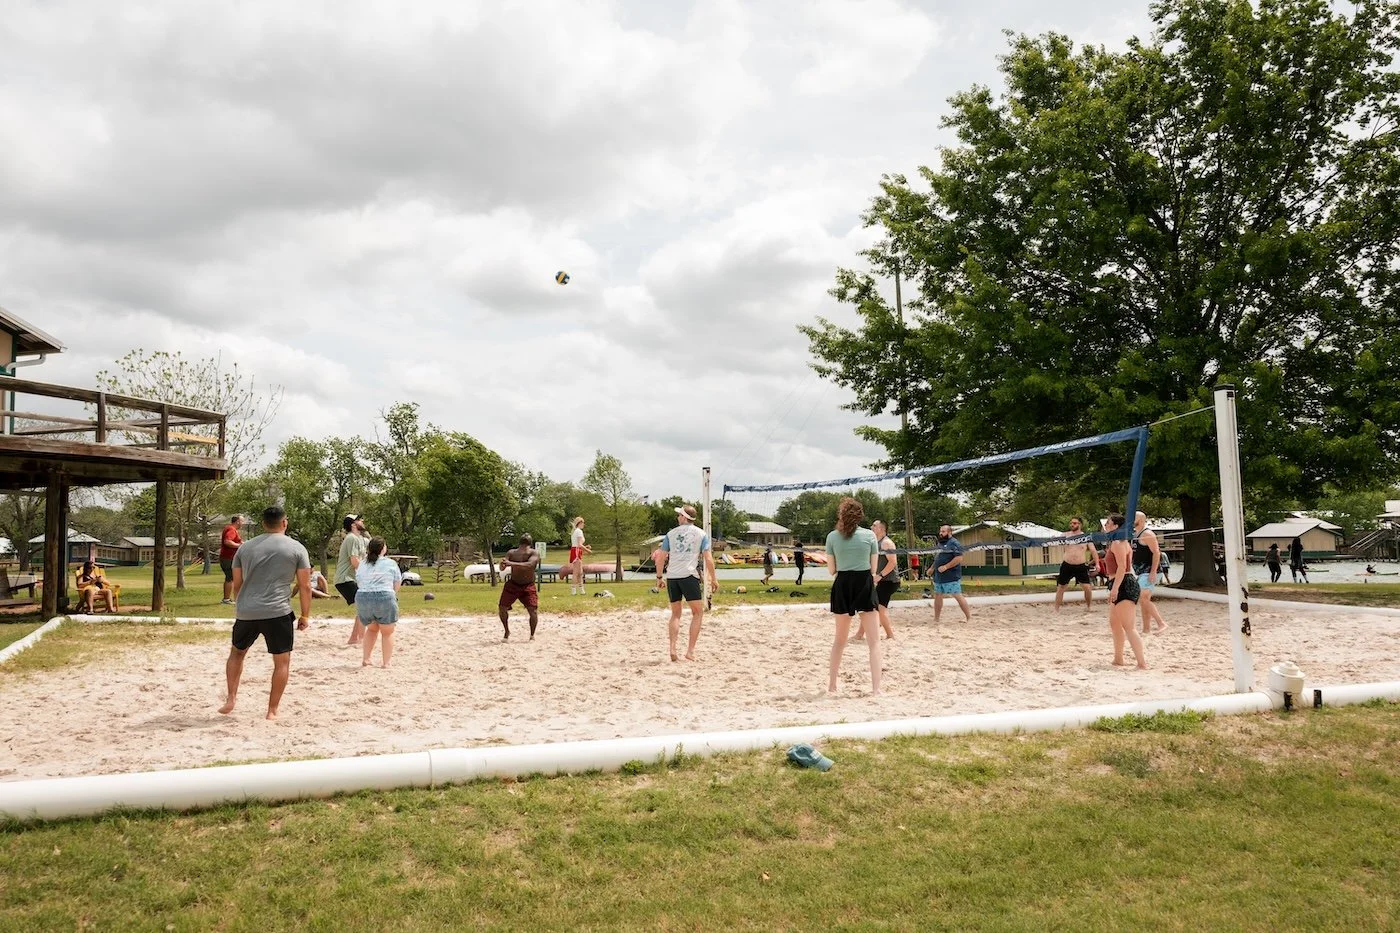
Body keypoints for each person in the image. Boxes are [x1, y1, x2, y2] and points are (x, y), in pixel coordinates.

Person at [218, 505, 311, 720]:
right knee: (281, 661)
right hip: (278, 611)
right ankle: (272, 710)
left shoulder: (245, 548)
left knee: (236, 654)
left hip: (247, 611)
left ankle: (231, 697)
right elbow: (305, 585)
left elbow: (237, 583)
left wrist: (242, 605)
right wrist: (305, 615)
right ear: (284, 523)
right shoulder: (296, 548)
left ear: (263, 524)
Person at [825, 497, 881, 696]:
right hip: (864, 583)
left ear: (841, 516)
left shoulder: (832, 537)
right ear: (860, 516)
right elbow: (873, 568)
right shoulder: (870, 536)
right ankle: (876, 689)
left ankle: (832, 686)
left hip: (843, 584)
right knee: (874, 642)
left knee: (839, 640)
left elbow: (832, 570)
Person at [655, 505, 718, 661]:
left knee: (676, 614)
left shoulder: (670, 534)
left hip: (673, 577)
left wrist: (659, 577)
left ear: (684, 517)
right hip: (689, 575)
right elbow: (708, 559)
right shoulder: (701, 534)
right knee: (697, 612)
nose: (677, 518)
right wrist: (713, 579)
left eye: (679, 515)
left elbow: (661, 557)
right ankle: (690, 651)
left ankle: (672, 648)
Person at [1104, 513, 1147, 669]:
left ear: (1116, 526)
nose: (1105, 526)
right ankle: (1118, 659)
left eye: (1108, 523)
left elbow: (1122, 567)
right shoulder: (1115, 542)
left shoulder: (1118, 542)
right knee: (1115, 624)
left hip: (1124, 584)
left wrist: (1115, 589)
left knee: (1129, 627)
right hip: (1118, 583)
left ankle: (1142, 663)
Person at [356, 537, 402, 668]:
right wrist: (392, 595)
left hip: (363, 597)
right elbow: (397, 582)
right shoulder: (390, 563)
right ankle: (386, 662)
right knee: (387, 631)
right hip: (384, 595)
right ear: (383, 549)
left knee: (371, 629)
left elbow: (359, 581)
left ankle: (366, 658)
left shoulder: (362, 563)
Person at [854, 519, 898, 641]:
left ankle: (890, 635)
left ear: (881, 529)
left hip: (890, 581)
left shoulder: (886, 543)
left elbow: (892, 562)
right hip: (882, 581)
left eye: (874, 525)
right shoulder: (876, 542)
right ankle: (859, 634)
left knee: (879, 608)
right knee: (869, 606)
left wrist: (880, 575)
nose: (871, 527)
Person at [498, 533, 541, 641]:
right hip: (513, 584)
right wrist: (502, 564)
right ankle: (506, 631)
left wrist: (510, 563)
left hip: (528, 585)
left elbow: (529, 565)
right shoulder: (511, 552)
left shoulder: (534, 553)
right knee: (502, 607)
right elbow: (502, 567)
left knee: (533, 610)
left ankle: (532, 635)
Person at [334, 515, 369, 645]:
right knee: (364, 605)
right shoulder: (351, 538)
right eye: (359, 519)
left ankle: (355, 639)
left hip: (351, 579)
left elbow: (378, 547)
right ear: (353, 525)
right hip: (345, 579)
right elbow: (355, 562)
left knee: (363, 606)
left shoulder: (361, 539)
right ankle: (360, 639)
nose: (362, 520)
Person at [1133, 512, 1168, 635]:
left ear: (1141, 520)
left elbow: (1156, 552)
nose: (1132, 519)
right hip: (1141, 572)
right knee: (1144, 601)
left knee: (1143, 598)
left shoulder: (1147, 534)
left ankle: (1161, 623)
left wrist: (1153, 571)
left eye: (1134, 517)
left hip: (1149, 571)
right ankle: (1146, 629)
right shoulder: (1135, 534)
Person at [932, 524, 972, 623]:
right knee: (937, 595)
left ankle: (969, 617)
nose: (941, 533)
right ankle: (936, 619)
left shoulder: (954, 543)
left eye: (943, 531)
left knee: (957, 595)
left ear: (949, 532)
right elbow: (938, 557)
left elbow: (959, 558)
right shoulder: (941, 543)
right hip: (939, 575)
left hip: (951, 575)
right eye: (940, 531)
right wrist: (932, 568)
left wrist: (946, 567)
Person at [1053, 516, 1094, 612]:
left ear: (1080, 525)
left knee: (1087, 587)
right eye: (1071, 523)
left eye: (1075, 523)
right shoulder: (1065, 535)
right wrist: (1052, 539)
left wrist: (1097, 564)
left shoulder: (1086, 537)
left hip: (1080, 565)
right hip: (1067, 564)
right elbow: (1054, 541)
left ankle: (1088, 607)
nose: (1072, 525)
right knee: (1061, 587)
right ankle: (1056, 609)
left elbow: (1093, 550)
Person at [219, 514, 243, 605]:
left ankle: (228, 599)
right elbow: (227, 541)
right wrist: (240, 545)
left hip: (227, 558)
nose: (243, 523)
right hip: (228, 558)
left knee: (230, 578)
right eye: (242, 521)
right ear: (237, 521)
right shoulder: (231, 530)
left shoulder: (230, 529)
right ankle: (226, 599)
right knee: (230, 578)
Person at [569, 517, 591, 595]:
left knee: (580, 572)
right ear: (579, 523)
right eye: (583, 523)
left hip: (576, 550)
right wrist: (587, 550)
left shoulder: (576, 531)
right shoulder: (579, 531)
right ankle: (574, 590)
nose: (584, 524)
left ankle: (581, 590)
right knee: (576, 572)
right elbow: (579, 545)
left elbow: (578, 544)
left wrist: (585, 547)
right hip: (576, 551)